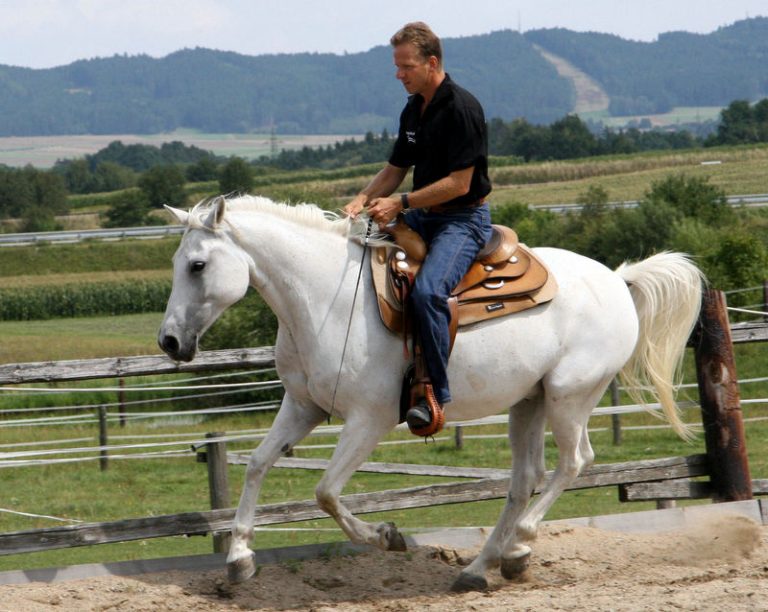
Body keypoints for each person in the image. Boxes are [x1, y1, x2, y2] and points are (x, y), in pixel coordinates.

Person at [344, 21, 492, 433]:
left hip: (463, 220)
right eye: (397, 66)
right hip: (426, 215)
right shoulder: (413, 108)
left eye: (405, 66)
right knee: (360, 254)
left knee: (428, 292)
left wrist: (401, 203)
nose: (399, 74)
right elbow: (396, 168)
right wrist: (362, 198)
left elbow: (460, 184)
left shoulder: (463, 109)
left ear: (431, 63)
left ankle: (436, 393)